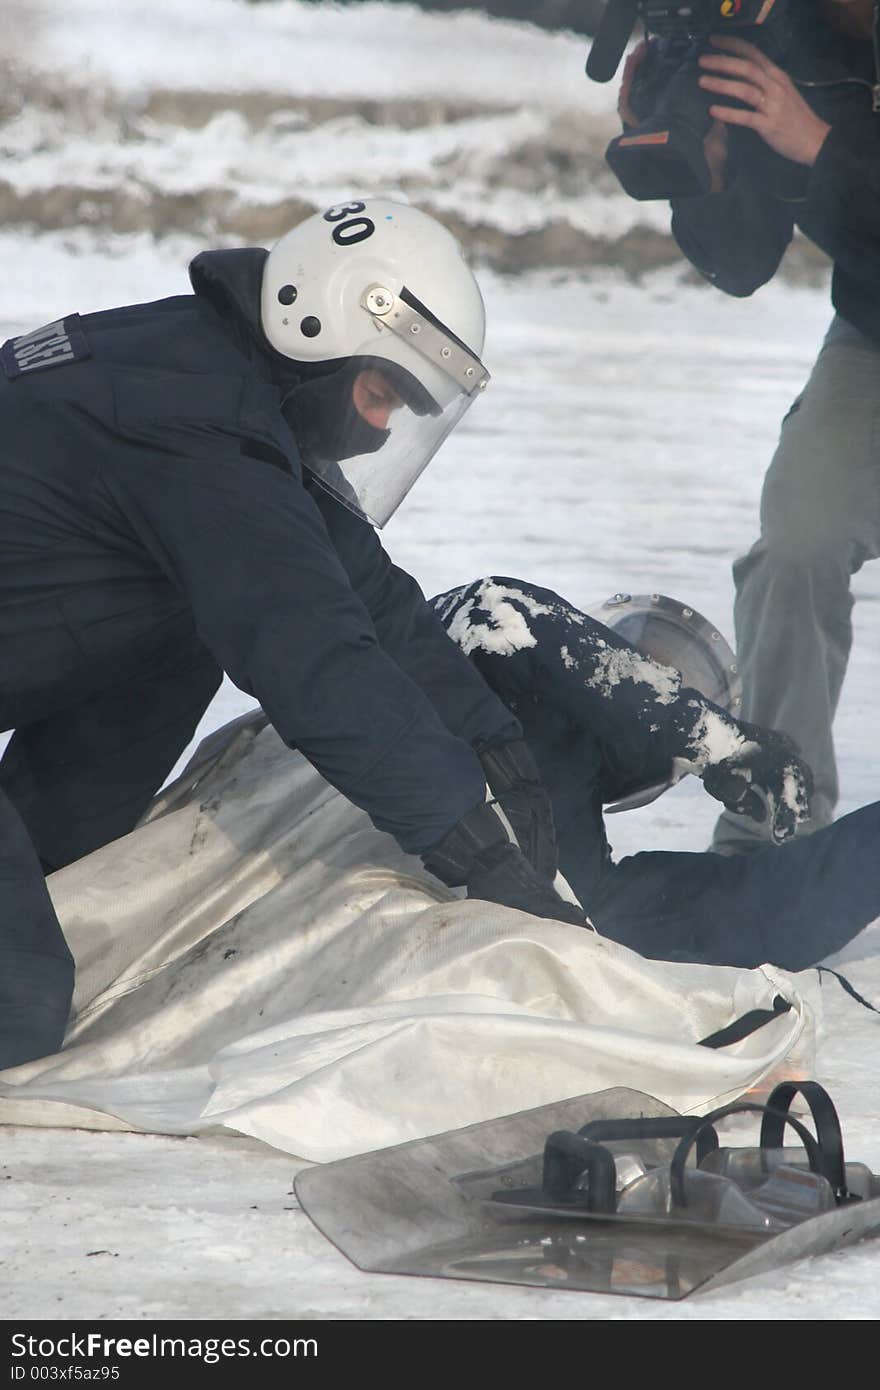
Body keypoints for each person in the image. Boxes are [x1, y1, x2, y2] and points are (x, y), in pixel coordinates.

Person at [0, 199, 593, 1070]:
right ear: (318, 328)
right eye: (380, 392)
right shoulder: (201, 435)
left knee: (184, 622)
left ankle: (49, 867)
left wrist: (501, 757)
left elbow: (369, 599)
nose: (381, 428)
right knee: (17, 995)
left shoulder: (218, 376)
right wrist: (472, 850)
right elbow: (316, 660)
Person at [619, 0, 880, 853]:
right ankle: (774, 836)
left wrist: (826, 146)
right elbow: (741, 262)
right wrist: (707, 163)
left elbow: (828, 159)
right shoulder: (779, 31)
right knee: (799, 541)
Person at [432, 575, 880, 972]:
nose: (649, 677)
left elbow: (764, 909)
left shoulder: (578, 878)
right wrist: (703, 731)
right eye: (636, 661)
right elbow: (498, 612)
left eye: (672, 678)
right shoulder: (470, 649)